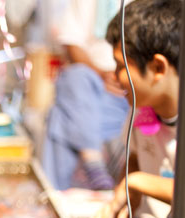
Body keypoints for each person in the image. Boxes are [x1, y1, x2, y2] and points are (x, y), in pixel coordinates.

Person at [84, 0, 181, 218]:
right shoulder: (141, 111)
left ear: (157, 67)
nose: (114, 77)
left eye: (119, 65)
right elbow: (135, 166)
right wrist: (121, 203)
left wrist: (135, 182)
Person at [40, 0, 131, 191]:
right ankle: (92, 164)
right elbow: (71, 42)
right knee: (75, 77)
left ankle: (61, 192)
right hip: (91, 81)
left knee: (60, 118)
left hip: (125, 88)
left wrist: (123, 76)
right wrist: (100, 74)